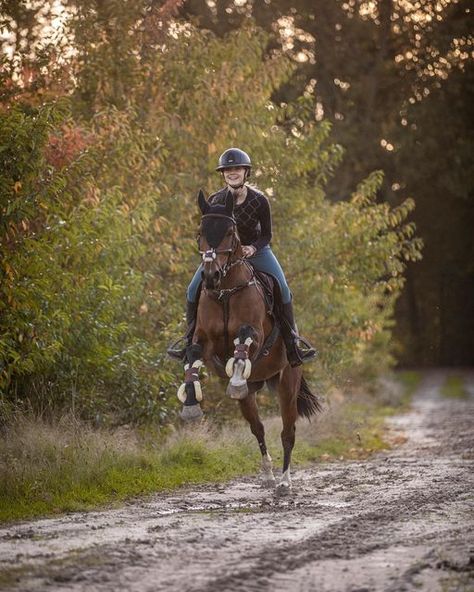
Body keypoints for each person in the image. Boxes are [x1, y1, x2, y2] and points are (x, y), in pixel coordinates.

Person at [167, 147, 316, 367]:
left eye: (237, 168)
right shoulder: (215, 199)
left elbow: (267, 235)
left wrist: (253, 248)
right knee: (192, 289)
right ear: (223, 174)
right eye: (228, 170)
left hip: (256, 252)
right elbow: (210, 233)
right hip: (222, 255)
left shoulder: (259, 200)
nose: (232, 172)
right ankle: (188, 341)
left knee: (282, 287)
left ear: (246, 172)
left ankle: (292, 342)